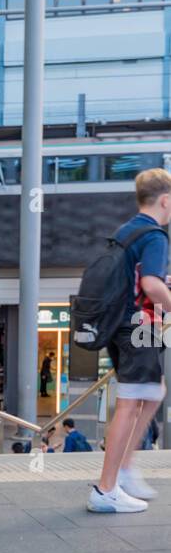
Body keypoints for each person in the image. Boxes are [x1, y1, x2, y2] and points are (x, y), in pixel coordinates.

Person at [89, 168, 171, 512]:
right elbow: (151, 285)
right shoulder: (154, 236)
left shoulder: (128, 230)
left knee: (152, 393)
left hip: (121, 325)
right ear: (166, 200)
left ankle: (122, 472)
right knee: (132, 401)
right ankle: (107, 488)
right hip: (139, 326)